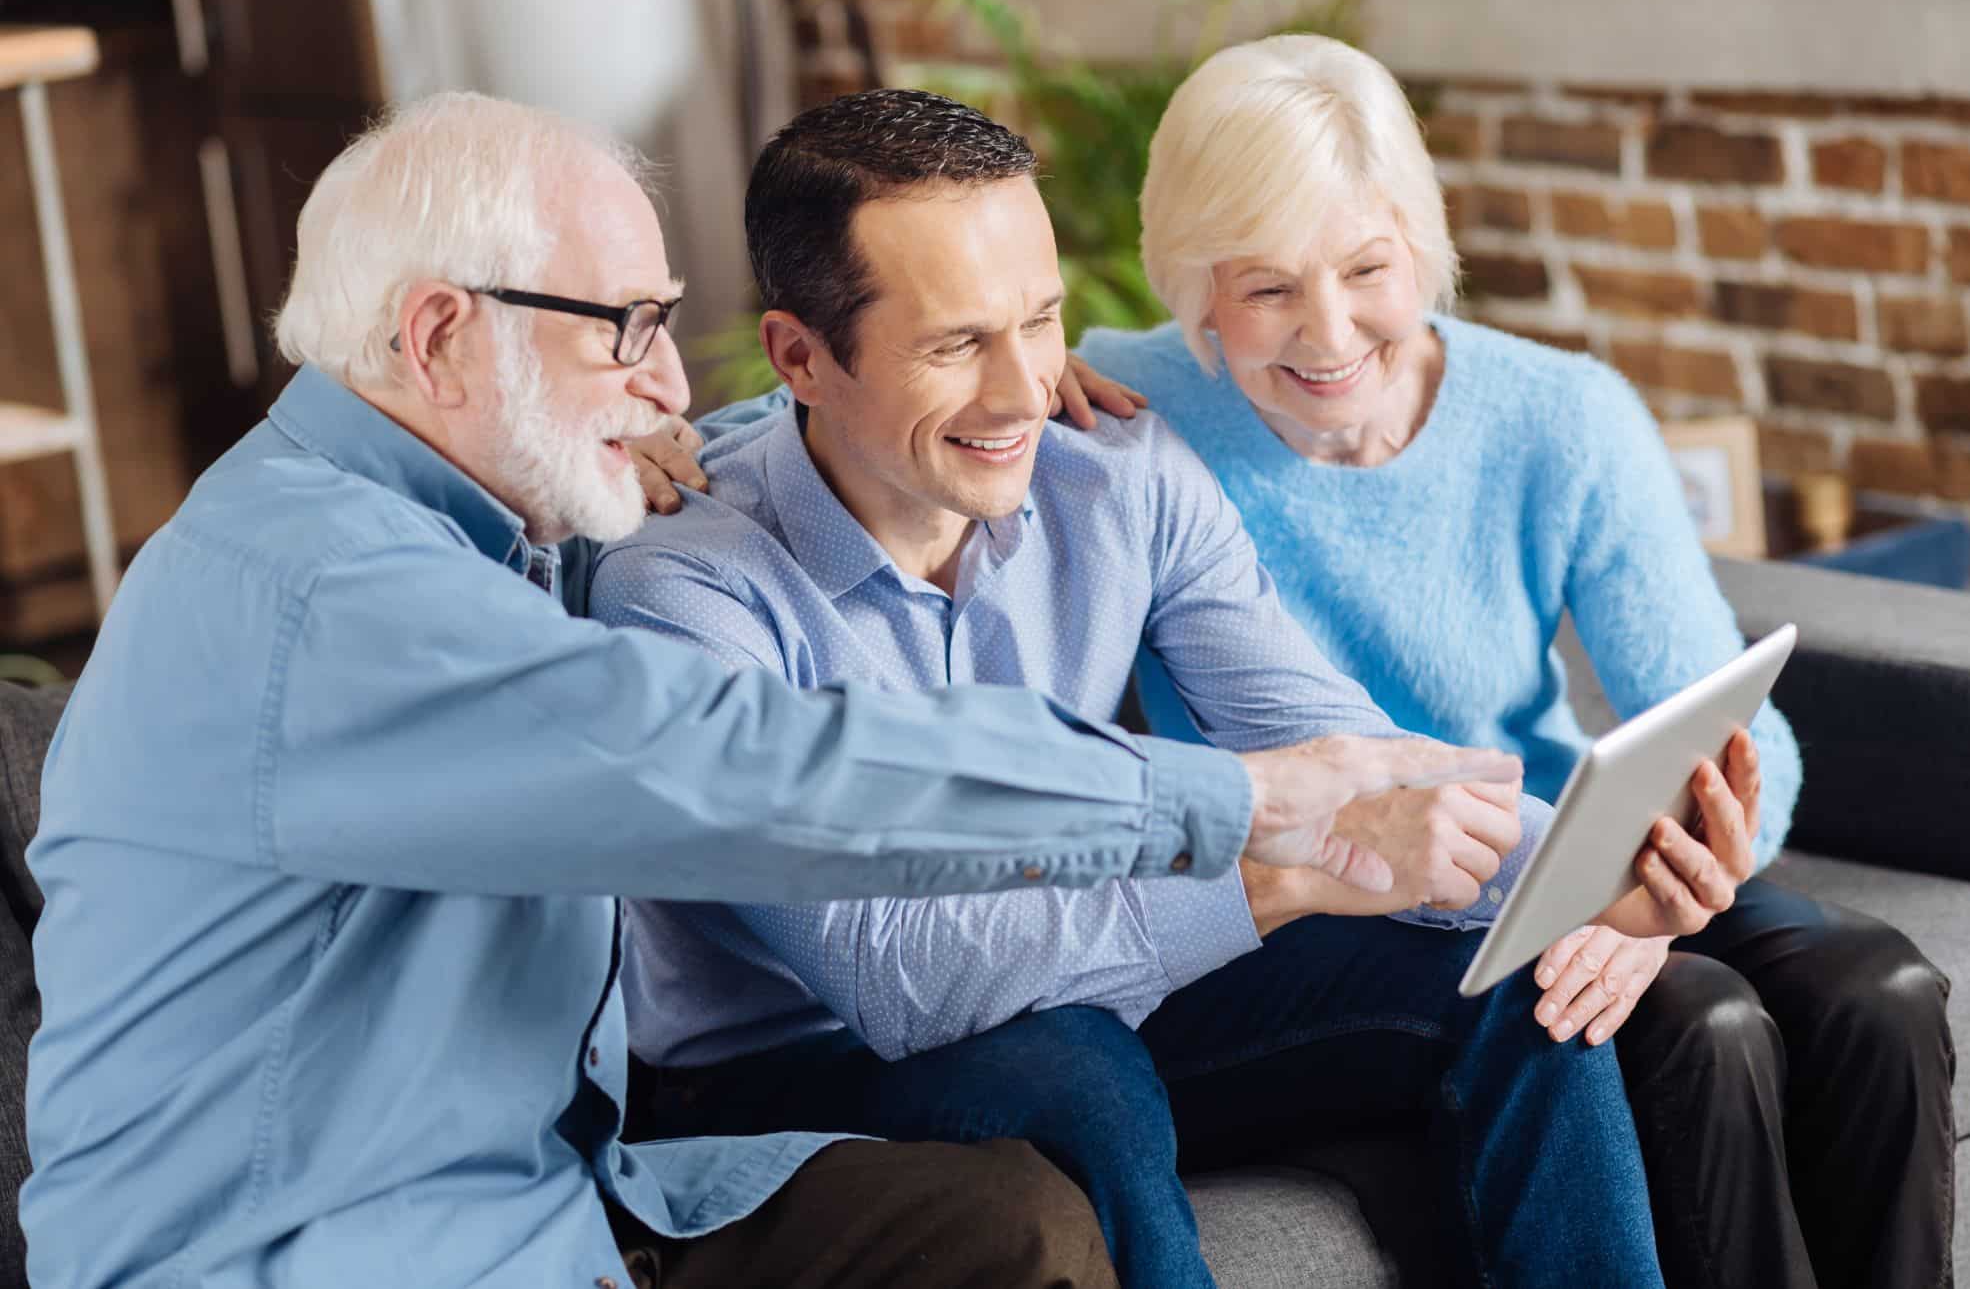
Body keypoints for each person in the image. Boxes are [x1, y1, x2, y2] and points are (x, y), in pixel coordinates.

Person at [16, 92, 1518, 1289]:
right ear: (435, 337)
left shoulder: (474, 530)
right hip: (322, 1252)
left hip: (570, 1195)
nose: (666, 383)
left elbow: (749, 447)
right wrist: (1238, 805)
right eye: (624, 329)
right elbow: (756, 770)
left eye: (664, 327)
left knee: (1007, 1227)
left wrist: (929, 393)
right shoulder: (327, 595)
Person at [592, 89, 1755, 1289]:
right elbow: (899, 979)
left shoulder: (1115, 474)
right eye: (955, 344)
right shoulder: (685, 596)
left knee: (1514, 986)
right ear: (799, 356)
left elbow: (1342, 747)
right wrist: (1279, 875)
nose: (1022, 391)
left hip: (1086, 973)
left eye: (1038, 322)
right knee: (1070, 1066)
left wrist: (1596, 871)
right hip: (799, 1056)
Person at [1067, 35, 1954, 1289]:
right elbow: (889, 392)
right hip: (1328, 904)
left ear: (1420, 250)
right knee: (1700, 1022)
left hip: (1553, 846)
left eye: (1367, 269)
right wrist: (681, 442)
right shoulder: (1119, 397)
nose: (1326, 334)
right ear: (1190, 288)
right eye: (1263, 289)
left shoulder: (1560, 416)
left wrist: (1658, 889)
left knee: (1879, 989)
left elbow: (1733, 733)